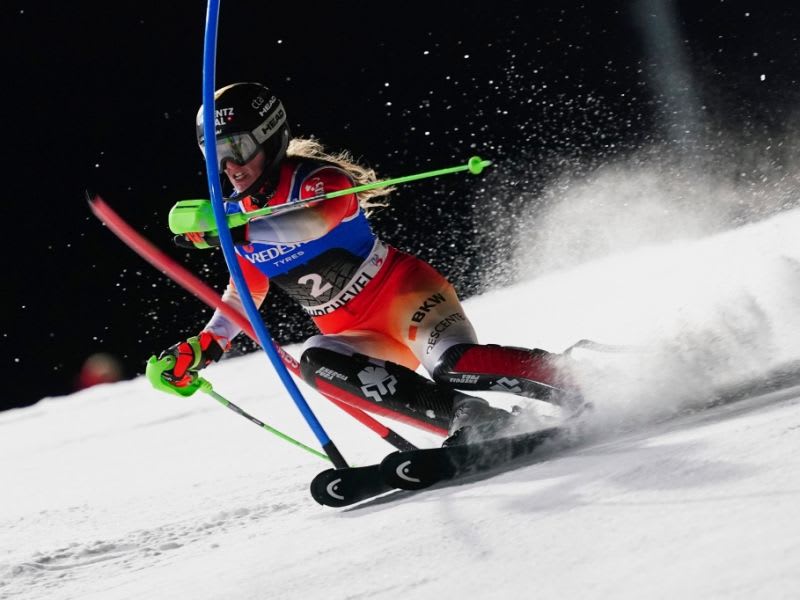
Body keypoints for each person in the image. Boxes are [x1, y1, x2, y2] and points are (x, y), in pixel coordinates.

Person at [155, 82, 577, 444]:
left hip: (408, 300)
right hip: (357, 335)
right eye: (215, 155)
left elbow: (313, 222)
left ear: (269, 138)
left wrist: (234, 230)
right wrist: (204, 347)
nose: (229, 167)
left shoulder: (317, 180)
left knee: (454, 365)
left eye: (238, 149)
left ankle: (578, 380)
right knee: (317, 360)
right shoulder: (237, 214)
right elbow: (246, 293)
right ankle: (474, 420)